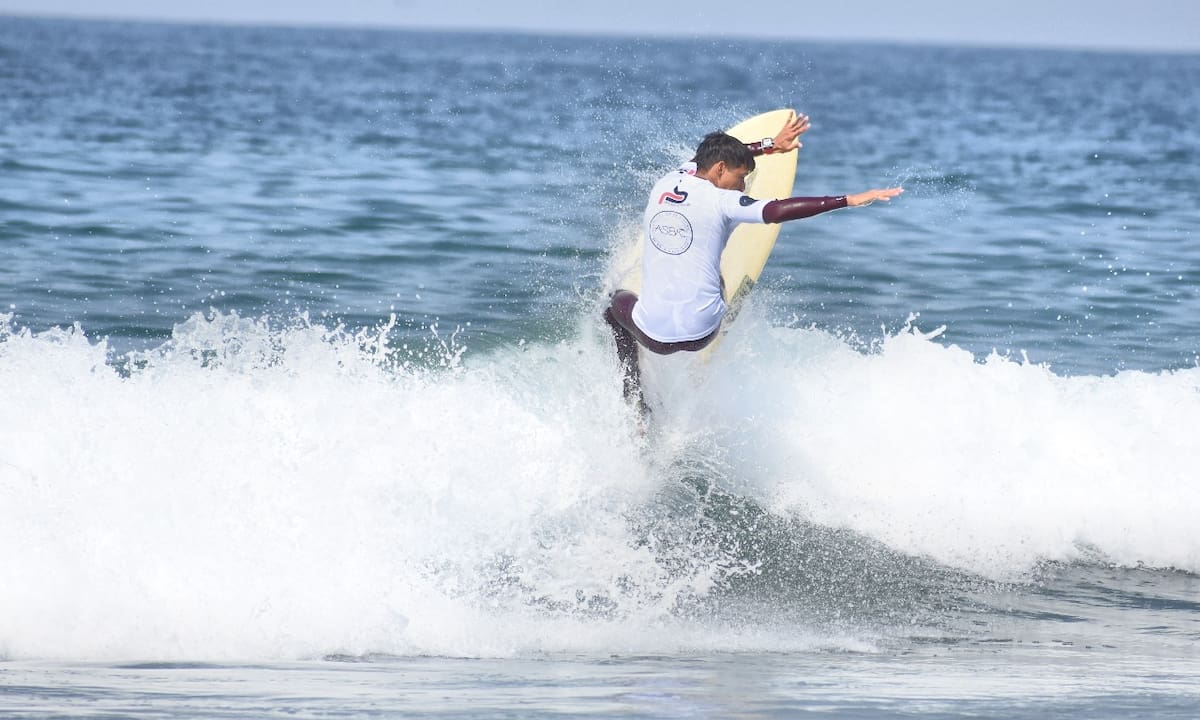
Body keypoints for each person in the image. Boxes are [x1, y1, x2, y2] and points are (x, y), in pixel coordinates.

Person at [604, 111, 903, 412]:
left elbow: (706, 158)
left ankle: (634, 398)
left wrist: (771, 144)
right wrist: (847, 200)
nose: (743, 187)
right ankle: (716, 298)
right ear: (720, 169)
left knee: (613, 306)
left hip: (653, 335)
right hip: (702, 333)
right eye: (741, 177)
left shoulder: (671, 178)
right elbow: (777, 211)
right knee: (716, 259)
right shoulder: (725, 201)